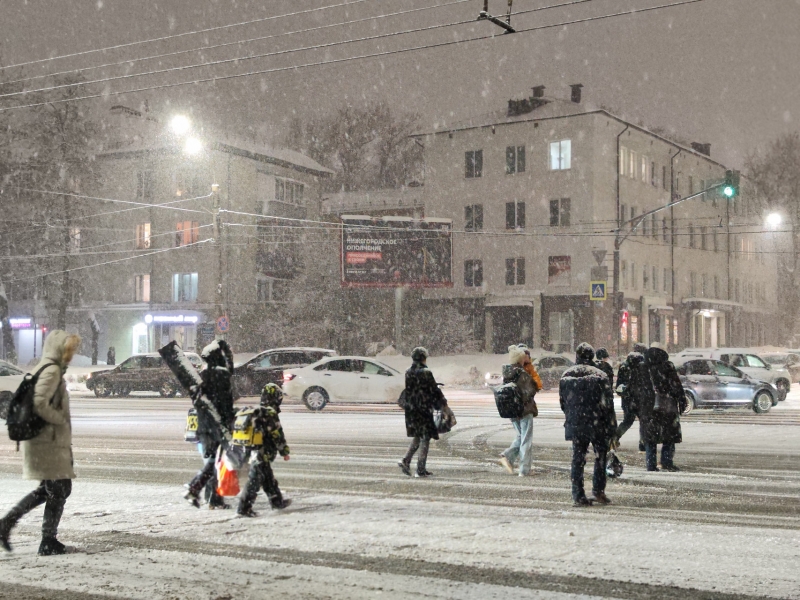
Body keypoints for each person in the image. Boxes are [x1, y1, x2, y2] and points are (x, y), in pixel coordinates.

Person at [0, 330, 81, 556]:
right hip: (47, 443)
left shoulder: (46, 367)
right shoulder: (52, 370)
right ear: (58, 348)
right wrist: (60, 419)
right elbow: (39, 403)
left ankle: (9, 523)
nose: (70, 354)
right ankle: (47, 540)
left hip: (44, 441)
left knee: (50, 489)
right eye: (68, 349)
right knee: (59, 489)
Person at [559, 343, 615, 506]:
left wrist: (573, 416)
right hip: (597, 423)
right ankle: (598, 491)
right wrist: (611, 427)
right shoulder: (600, 375)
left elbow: (564, 403)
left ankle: (578, 494)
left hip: (577, 424)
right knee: (601, 456)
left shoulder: (566, 375)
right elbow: (608, 404)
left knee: (578, 458)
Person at [184, 339, 238, 508]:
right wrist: (230, 418)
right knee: (218, 461)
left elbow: (200, 401)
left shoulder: (203, 376)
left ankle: (207, 495)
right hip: (217, 426)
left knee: (214, 461)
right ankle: (202, 492)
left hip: (205, 426)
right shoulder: (221, 376)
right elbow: (225, 403)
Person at [237, 383, 291, 516]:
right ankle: (244, 508)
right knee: (254, 481)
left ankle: (277, 501)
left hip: (253, 450)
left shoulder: (257, 411)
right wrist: (284, 451)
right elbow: (277, 434)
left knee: (268, 478)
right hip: (263, 452)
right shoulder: (270, 413)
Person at [398, 347, 446, 478]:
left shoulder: (408, 372)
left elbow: (414, 388)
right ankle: (420, 469)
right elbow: (432, 390)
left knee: (419, 436)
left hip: (412, 409)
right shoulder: (426, 372)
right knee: (425, 438)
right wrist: (442, 402)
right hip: (423, 409)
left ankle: (406, 461)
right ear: (423, 358)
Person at [640, 345, 684, 472]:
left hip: (648, 407)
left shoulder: (643, 368)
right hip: (667, 407)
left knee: (650, 437)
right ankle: (667, 461)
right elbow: (676, 386)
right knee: (669, 436)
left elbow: (637, 389)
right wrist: (680, 399)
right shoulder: (667, 367)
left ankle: (650, 464)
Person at [498, 345, 541, 477]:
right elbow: (532, 389)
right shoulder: (522, 373)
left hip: (512, 410)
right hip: (524, 410)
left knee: (520, 436)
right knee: (526, 440)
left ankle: (508, 457)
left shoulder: (507, 373)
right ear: (519, 359)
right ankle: (524, 469)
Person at [615, 343, 648, 452]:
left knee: (627, 421)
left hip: (628, 399)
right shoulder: (644, 366)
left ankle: (614, 437)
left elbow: (619, 385)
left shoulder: (625, 365)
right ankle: (643, 443)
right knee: (644, 421)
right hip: (641, 398)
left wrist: (625, 393)